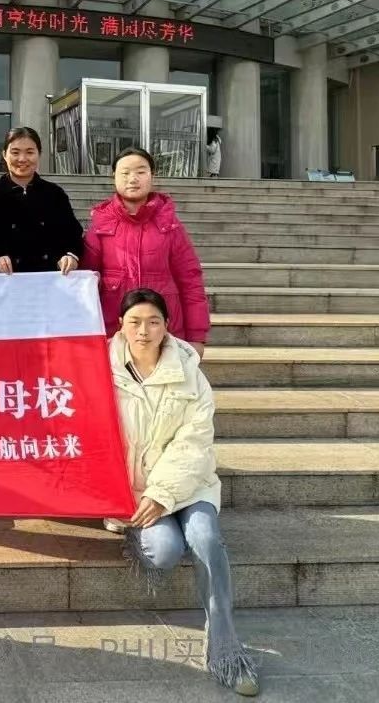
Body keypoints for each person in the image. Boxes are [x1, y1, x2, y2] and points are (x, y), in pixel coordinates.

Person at [106, 288, 259, 697]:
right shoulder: (101, 371)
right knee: (165, 550)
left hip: (189, 484)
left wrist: (164, 494)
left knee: (206, 538)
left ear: (166, 326)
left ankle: (225, 649)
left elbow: (194, 442)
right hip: (136, 492)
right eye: (135, 322)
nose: (144, 330)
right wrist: (144, 496)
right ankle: (137, 533)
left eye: (153, 322)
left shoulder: (191, 371)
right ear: (120, 325)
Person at [82, 147, 209, 350]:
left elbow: (190, 281)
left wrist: (196, 336)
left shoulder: (170, 225)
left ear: (152, 176)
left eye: (141, 172)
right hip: (115, 334)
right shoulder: (100, 226)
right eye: (125, 173)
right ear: (114, 176)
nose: (133, 179)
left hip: (164, 333)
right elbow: (85, 284)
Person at [0, 126, 83, 275]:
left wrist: (70, 256)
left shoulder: (54, 194)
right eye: (15, 152)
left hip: (50, 278)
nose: (22, 159)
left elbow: (72, 232)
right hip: (8, 278)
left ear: (39, 154)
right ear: (4, 154)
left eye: (30, 152)